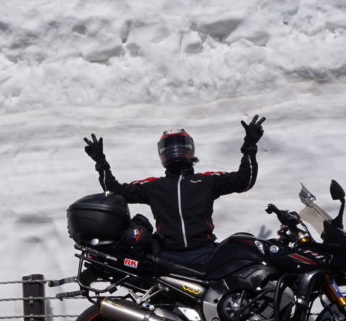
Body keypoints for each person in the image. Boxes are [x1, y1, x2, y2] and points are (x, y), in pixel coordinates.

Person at [82, 115, 265, 270]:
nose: (176, 149)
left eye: (181, 145)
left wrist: (249, 145)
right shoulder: (154, 186)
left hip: (204, 253)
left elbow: (244, 181)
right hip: (166, 257)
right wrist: (100, 161)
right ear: (162, 152)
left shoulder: (207, 180)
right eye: (169, 146)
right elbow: (115, 191)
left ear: (190, 149)